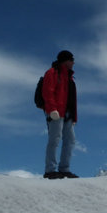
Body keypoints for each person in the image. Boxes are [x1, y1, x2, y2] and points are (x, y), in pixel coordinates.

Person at [41, 50, 79, 179]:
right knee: (54, 139)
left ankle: (64, 169)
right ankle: (50, 170)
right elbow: (48, 92)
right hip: (56, 112)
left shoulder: (69, 77)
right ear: (65, 61)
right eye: (71, 60)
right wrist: (52, 109)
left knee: (70, 140)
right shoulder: (52, 73)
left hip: (67, 114)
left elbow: (72, 99)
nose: (73, 63)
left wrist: (74, 117)